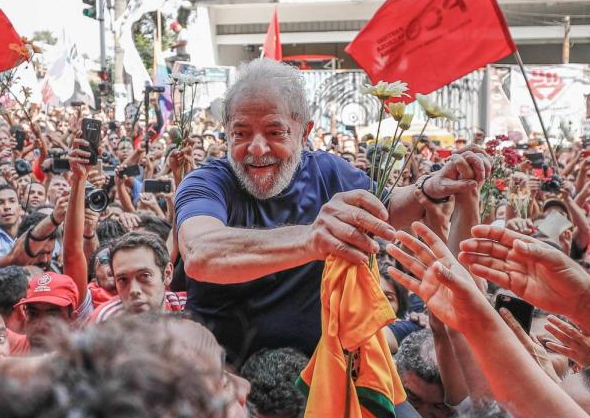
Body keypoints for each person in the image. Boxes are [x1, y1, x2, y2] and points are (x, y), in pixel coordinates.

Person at [174, 59, 489, 366]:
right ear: (226, 131)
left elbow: (388, 209)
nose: (256, 148)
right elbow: (201, 253)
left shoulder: (328, 172)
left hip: (326, 375)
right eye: (241, 133)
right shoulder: (206, 182)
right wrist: (311, 240)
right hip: (224, 377)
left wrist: (430, 187)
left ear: (304, 131)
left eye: (274, 132)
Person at [91, 231, 184, 322]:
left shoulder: (188, 309)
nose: (134, 290)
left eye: (145, 276)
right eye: (123, 280)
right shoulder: (104, 321)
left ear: (167, 274)